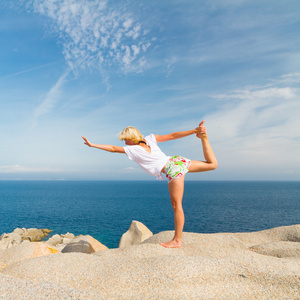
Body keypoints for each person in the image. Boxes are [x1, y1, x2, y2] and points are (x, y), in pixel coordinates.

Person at [82, 120, 217, 248]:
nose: (124, 142)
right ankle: (203, 138)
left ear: (130, 137)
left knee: (177, 206)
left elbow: (112, 148)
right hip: (177, 160)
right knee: (212, 165)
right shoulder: (150, 138)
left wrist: (93, 145)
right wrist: (194, 131)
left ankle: (177, 240)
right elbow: (172, 136)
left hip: (172, 168)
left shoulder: (133, 149)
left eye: (125, 139)